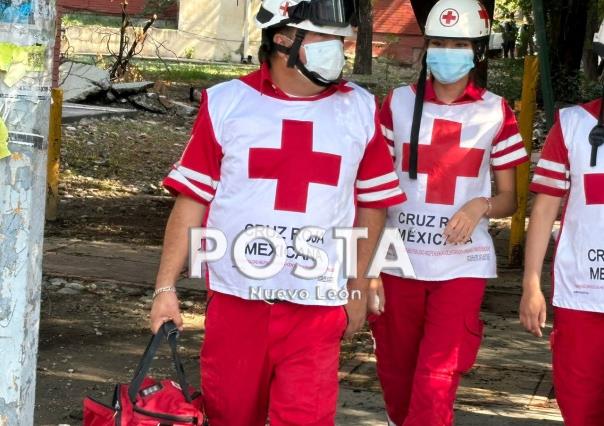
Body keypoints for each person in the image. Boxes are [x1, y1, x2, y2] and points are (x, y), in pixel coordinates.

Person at [149, 0, 406, 425]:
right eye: (326, 39)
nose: (338, 49)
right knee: (230, 416)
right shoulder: (227, 103)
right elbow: (193, 198)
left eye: (341, 40)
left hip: (317, 308)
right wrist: (165, 289)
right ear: (284, 40)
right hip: (237, 305)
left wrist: (358, 287)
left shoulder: (359, 108)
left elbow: (373, 203)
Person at [370, 0, 529, 424]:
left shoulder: (497, 110)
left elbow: (512, 199)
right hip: (396, 258)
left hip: (463, 262)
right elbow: (372, 186)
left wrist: (482, 204)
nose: (446, 52)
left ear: (476, 50)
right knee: (396, 370)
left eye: (458, 44)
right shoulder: (397, 103)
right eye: (438, 42)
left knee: (437, 375)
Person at [519, 19, 604, 426]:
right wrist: (531, 283)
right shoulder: (572, 125)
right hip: (582, 295)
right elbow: (544, 208)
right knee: (581, 409)